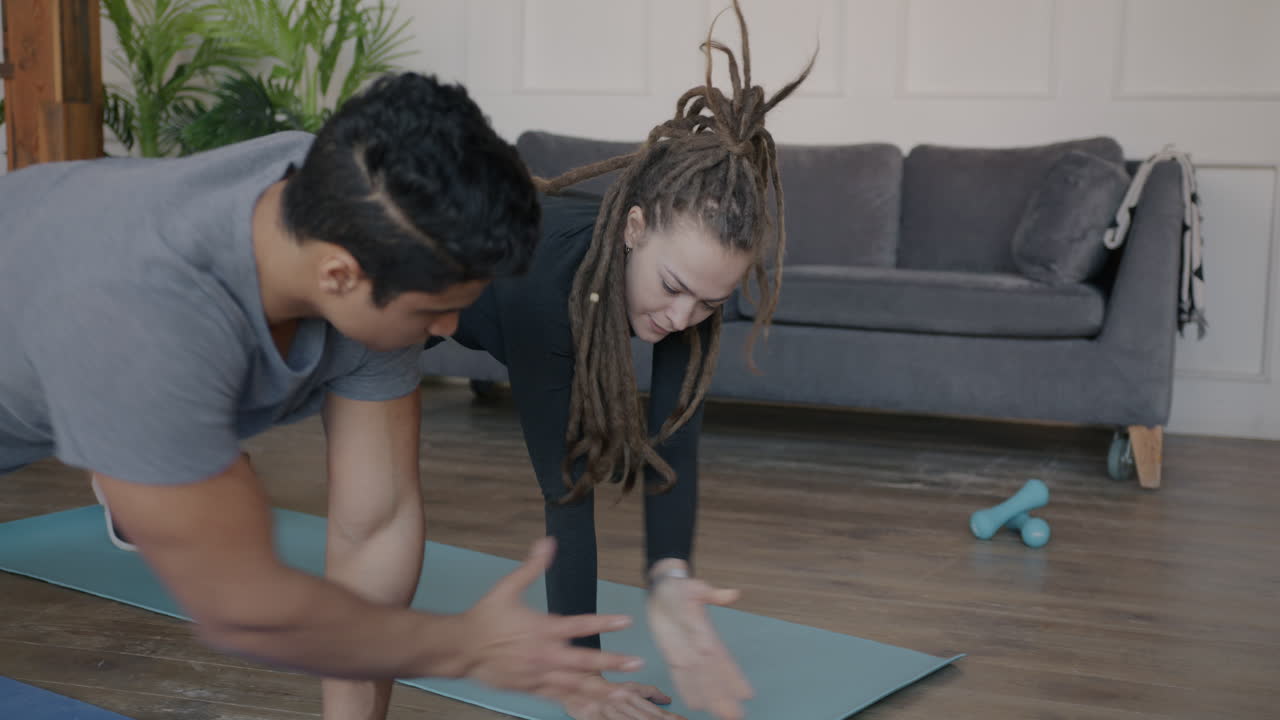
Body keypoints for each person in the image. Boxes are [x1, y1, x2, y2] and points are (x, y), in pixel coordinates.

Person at [0, 71, 649, 717]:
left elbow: (376, 525)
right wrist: (466, 648)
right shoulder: (147, 319)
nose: (450, 328)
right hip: (88, 339)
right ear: (339, 276)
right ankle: (143, 469)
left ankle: (146, 466)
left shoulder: (362, 210)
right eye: (438, 310)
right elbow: (243, 611)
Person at [424, 3, 814, 719]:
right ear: (633, 228)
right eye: (673, 290)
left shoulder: (693, 285)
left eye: (707, 304)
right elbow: (567, 491)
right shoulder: (551, 293)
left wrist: (669, 577)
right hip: (408, 285)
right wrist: (580, 680)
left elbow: (674, 437)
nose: (680, 319)